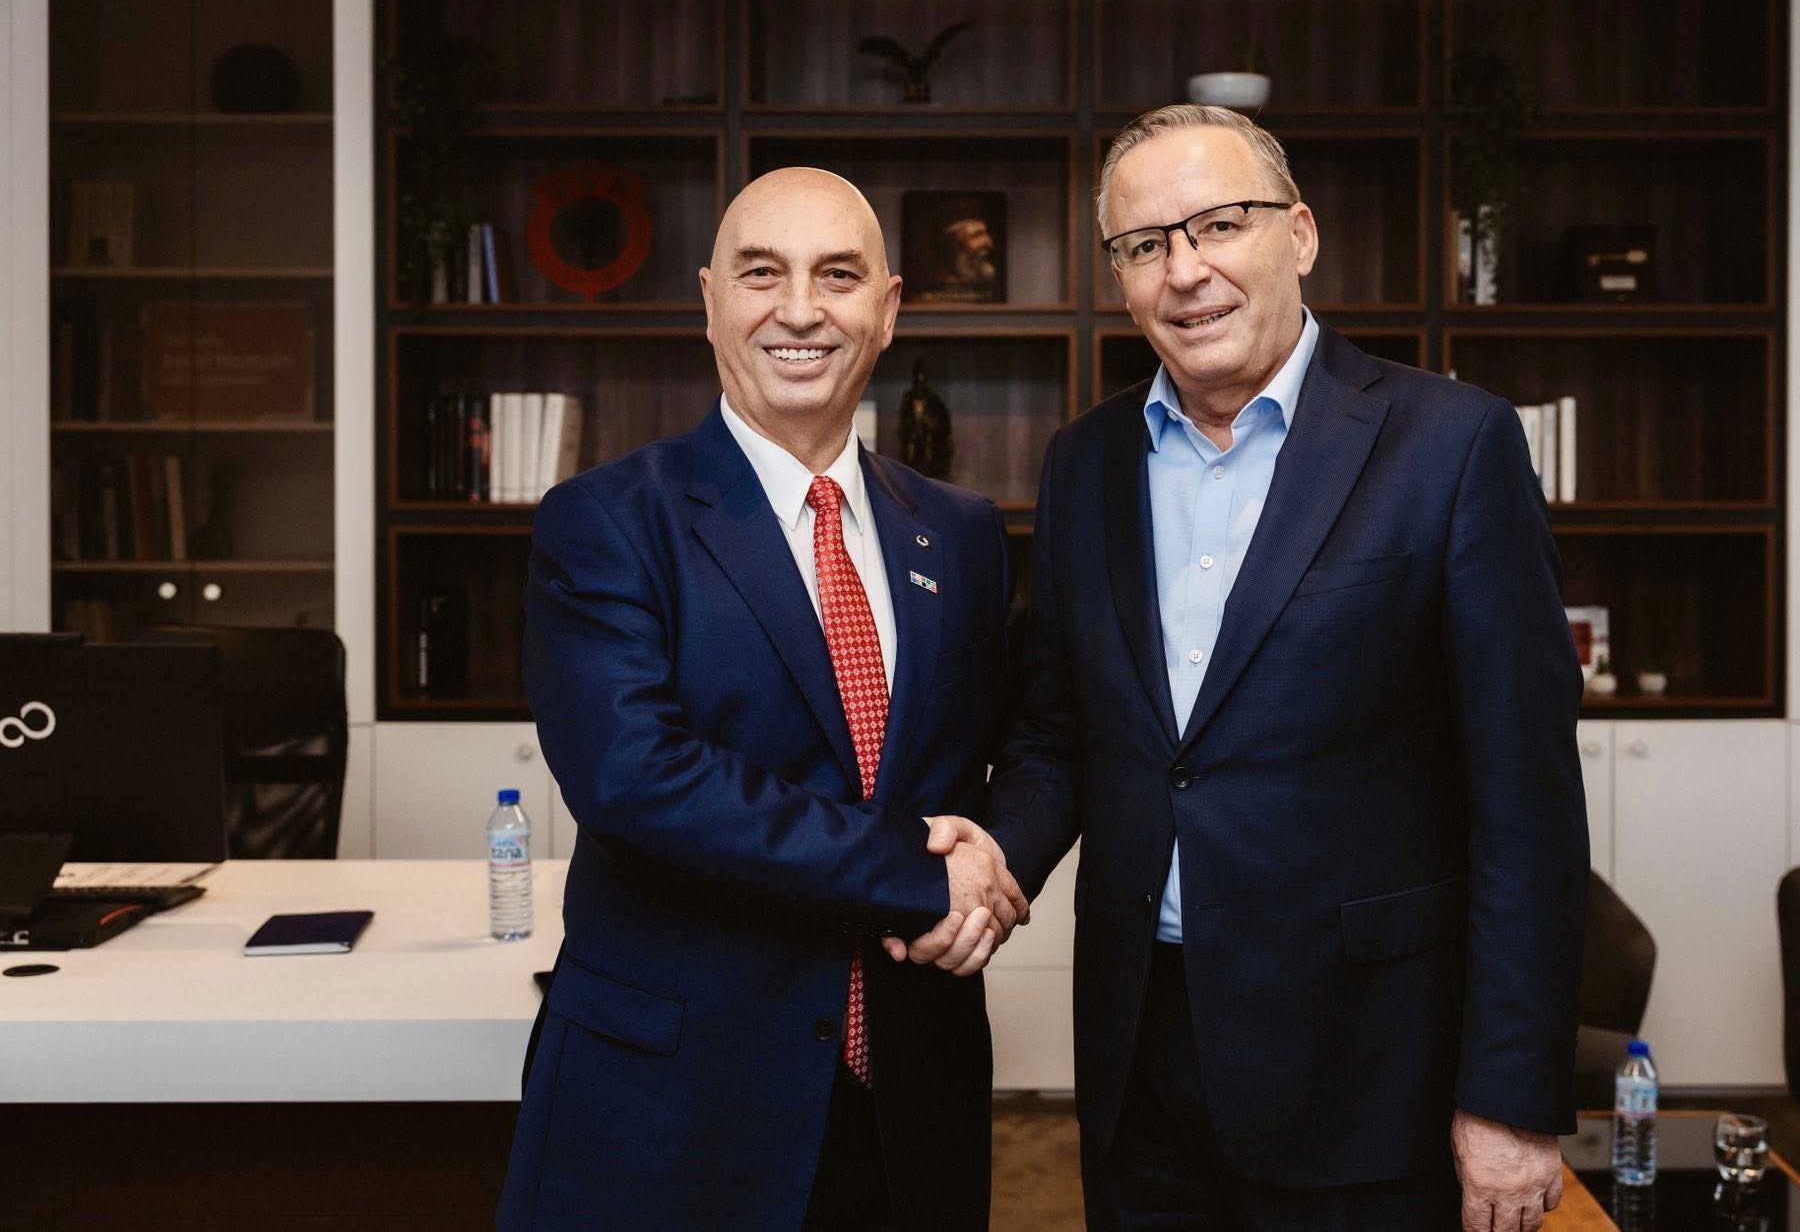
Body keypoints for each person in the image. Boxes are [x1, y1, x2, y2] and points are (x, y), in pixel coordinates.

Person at [914, 105, 1588, 1229]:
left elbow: (1528, 802)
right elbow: (1060, 732)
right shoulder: (1084, 464)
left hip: (1367, 1065)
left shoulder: (1450, 444)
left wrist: (1510, 1099)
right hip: (1142, 1056)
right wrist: (993, 853)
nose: (1185, 272)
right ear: (1120, 278)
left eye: (1219, 225)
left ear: (1299, 235)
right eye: (1144, 245)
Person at [497, 167, 1027, 1232]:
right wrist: (922, 879)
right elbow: (637, 778)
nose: (799, 309)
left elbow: (1016, 745)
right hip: (679, 1108)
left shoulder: (961, 532)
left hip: (910, 1101)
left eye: (838, 276)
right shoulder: (606, 521)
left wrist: (994, 865)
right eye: (760, 274)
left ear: (888, 309)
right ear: (709, 301)